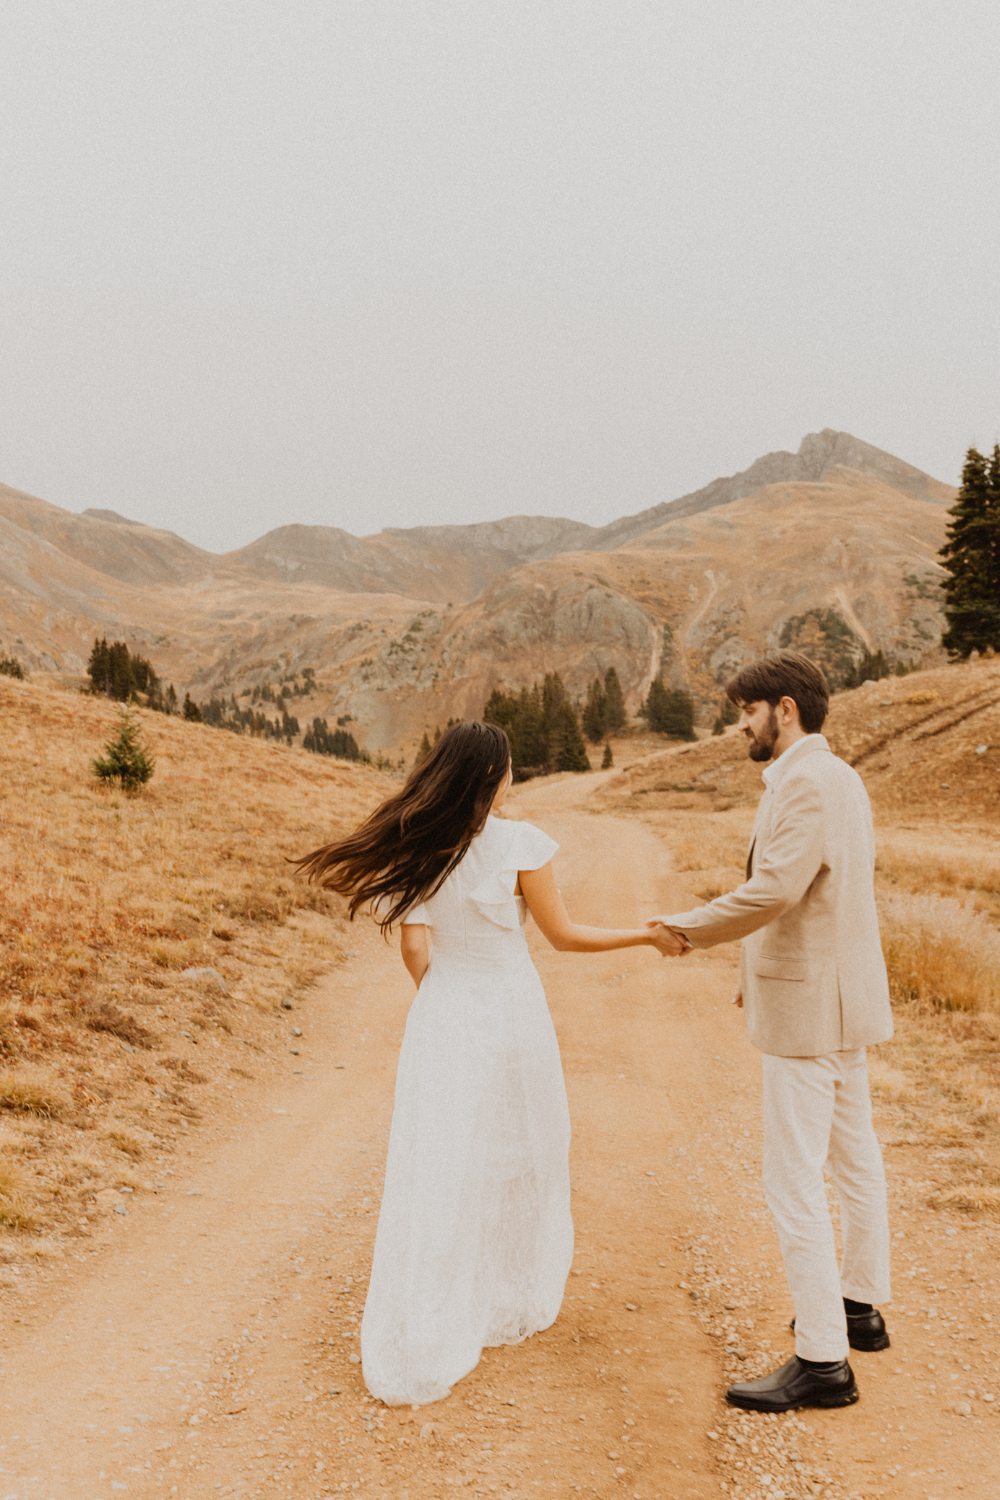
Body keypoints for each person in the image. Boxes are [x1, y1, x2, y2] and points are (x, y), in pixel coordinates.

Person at [296, 720, 683, 1406]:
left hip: (444, 1014)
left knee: (439, 1157)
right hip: (511, 1012)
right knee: (521, 1147)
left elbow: (416, 952)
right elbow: (563, 937)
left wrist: (442, 999)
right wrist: (645, 936)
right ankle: (504, 1291)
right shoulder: (520, 845)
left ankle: (432, 1308)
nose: (513, 780)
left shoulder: (421, 846)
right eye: (508, 769)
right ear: (491, 777)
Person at [650, 650, 893, 1413]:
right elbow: (824, 895)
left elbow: (777, 889)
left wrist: (684, 928)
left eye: (747, 711)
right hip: (842, 1003)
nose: (740, 725)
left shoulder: (804, 783)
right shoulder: (842, 777)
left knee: (792, 1182)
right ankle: (858, 1306)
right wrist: (754, 970)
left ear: (784, 709)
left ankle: (822, 1361)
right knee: (855, 1161)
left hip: (809, 1017)